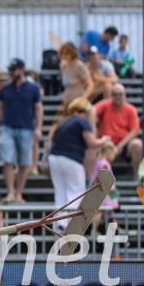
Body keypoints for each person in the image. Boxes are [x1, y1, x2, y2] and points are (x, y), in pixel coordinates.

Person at [47, 98, 111, 231]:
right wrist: (104, 140)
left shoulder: (63, 122)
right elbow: (91, 143)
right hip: (72, 159)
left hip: (54, 158)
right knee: (76, 192)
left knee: (60, 192)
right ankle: (69, 223)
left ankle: (58, 223)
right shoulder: (82, 121)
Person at [0, 58, 43, 203]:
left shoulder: (33, 88)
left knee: (25, 163)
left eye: (14, 70)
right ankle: (11, 192)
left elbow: (38, 109)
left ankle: (19, 193)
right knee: (7, 160)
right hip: (7, 127)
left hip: (26, 128)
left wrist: (38, 128)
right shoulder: (6, 88)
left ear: (21, 69)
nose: (12, 73)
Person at [94, 83, 143, 177]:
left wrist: (121, 145)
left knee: (137, 144)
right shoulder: (105, 104)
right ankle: (96, 180)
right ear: (111, 96)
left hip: (123, 144)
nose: (118, 97)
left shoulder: (131, 109)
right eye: (115, 94)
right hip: (105, 143)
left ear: (125, 95)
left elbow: (135, 130)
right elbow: (91, 111)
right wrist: (94, 131)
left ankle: (137, 178)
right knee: (92, 145)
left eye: (120, 94)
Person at [91, 140, 120, 234]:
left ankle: (116, 226)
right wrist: (109, 188)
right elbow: (103, 176)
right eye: (113, 155)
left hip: (101, 191)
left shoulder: (98, 161)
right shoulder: (104, 163)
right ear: (108, 152)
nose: (114, 158)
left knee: (110, 211)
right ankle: (94, 230)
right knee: (100, 211)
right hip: (104, 192)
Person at [58, 42, 93, 109]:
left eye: (67, 53)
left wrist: (82, 99)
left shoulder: (79, 66)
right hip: (67, 102)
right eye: (63, 53)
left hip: (77, 103)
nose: (64, 56)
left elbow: (90, 85)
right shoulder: (65, 66)